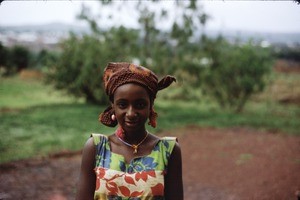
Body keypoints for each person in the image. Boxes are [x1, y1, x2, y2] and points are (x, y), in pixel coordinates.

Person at [75, 62, 183, 200]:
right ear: (113, 106)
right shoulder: (96, 147)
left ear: (151, 106)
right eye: (122, 104)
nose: (131, 113)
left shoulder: (168, 150)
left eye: (140, 104)